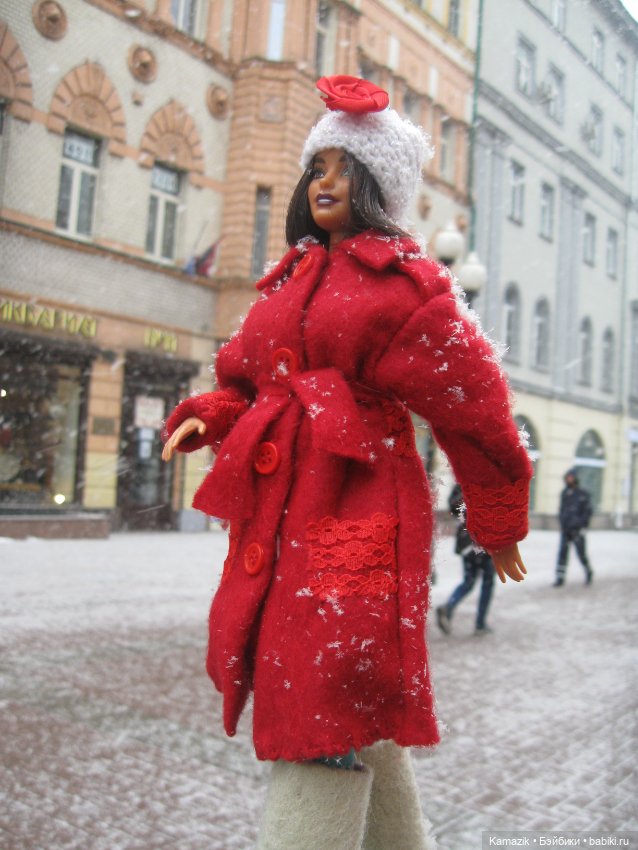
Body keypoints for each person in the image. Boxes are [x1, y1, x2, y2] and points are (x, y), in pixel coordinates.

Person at [162, 75, 532, 850]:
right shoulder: (288, 280)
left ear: (379, 186)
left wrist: (496, 515)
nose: (325, 182)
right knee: (336, 698)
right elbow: (249, 373)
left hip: (358, 510)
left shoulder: (406, 293)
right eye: (317, 166)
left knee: (325, 690)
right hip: (281, 510)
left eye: (344, 168)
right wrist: (211, 414)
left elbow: (477, 409)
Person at [437, 484, 496, 635]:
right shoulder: (487, 482)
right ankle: (480, 623)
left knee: (469, 581)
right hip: (484, 538)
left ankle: (449, 607)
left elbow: (453, 508)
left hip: (467, 540)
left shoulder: (462, 482)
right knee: (487, 583)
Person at [554, 469, 593, 586]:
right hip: (566, 529)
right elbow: (561, 510)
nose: (569, 479)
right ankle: (560, 578)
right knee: (562, 554)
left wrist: (581, 524)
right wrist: (562, 521)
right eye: (567, 478)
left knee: (581, 553)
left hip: (577, 530)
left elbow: (588, 511)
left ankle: (588, 572)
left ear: (575, 478)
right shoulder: (564, 493)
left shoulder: (583, 494)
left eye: (571, 477)